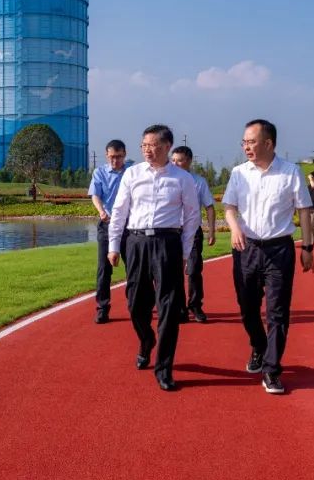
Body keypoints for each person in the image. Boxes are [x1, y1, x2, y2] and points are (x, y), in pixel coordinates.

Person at [222, 119, 314, 396]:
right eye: (244, 142)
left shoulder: (290, 172)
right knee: (247, 308)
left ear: (269, 143)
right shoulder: (239, 173)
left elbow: (304, 211)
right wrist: (234, 227)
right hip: (246, 249)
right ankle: (259, 346)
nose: (246, 147)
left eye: (251, 142)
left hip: (279, 250)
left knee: (278, 312)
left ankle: (272, 370)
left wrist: (307, 247)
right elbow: (229, 207)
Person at [108, 125, 203, 392]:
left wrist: (184, 251)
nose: (148, 150)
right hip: (136, 242)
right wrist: (113, 245)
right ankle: (146, 339)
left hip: (167, 243)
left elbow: (192, 216)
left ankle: (164, 367)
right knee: (135, 303)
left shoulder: (182, 178)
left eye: (153, 145)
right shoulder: (132, 174)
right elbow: (119, 211)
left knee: (169, 307)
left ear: (167, 146)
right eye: (144, 145)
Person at [170, 146, 217, 323]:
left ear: (189, 161)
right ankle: (179, 307)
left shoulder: (199, 182)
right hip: (172, 231)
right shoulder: (168, 180)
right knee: (173, 271)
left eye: (180, 160)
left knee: (194, 269)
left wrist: (211, 231)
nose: (175, 164)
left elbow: (209, 207)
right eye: (173, 160)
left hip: (193, 231)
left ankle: (195, 305)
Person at [87, 139, 128, 323]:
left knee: (135, 267)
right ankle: (102, 308)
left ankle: (135, 302)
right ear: (106, 155)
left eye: (118, 157)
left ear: (124, 155)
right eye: (112, 157)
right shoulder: (100, 172)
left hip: (129, 226)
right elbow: (95, 195)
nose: (115, 161)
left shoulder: (131, 172)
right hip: (107, 224)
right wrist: (101, 210)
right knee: (104, 268)